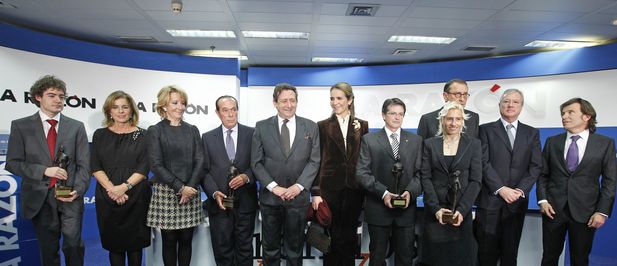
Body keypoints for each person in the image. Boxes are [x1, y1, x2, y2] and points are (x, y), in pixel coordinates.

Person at [6, 75, 90, 266]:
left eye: (61, 96)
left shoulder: (76, 127)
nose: (58, 100)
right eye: (52, 95)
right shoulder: (21, 126)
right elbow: (13, 163)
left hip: (71, 197)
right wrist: (44, 170)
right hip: (40, 199)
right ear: (38, 97)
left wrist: (77, 190)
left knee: (73, 246)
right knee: (48, 250)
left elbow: (85, 165)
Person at [537, 98, 616, 266]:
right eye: (563, 113)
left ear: (587, 116)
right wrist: (543, 200)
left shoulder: (605, 144)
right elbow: (543, 175)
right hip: (553, 210)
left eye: (570, 112)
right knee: (549, 257)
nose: (564, 116)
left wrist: (602, 212)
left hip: (586, 212)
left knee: (579, 259)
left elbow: (610, 181)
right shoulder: (552, 141)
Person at [251, 83, 320, 266]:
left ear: (297, 102)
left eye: (292, 100)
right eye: (284, 101)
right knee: (270, 249)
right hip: (270, 199)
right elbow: (256, 163)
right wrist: (274, 187)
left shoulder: (311, 127)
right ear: (275, 103)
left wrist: (298, 187)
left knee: (295, 249)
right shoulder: (261, 127)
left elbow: (314, 161)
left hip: (298, 199)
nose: (288, 105)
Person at [474, 89, 542, 266]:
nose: (510, 105)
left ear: (521, 106)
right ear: (499, 105)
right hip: (490, 200)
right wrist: (501, 189)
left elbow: (535, 166)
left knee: (510, 253)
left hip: (516, 202)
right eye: (506, 101)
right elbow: (482, 162)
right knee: (486, 253)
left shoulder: (532, 133)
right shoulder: (484, 130)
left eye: (515, 102)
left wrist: (519, 190)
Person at [356, 98, 422, 266]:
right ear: (383, 115)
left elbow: (420, 174)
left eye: (401, 114)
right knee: (377, 257)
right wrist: (384, 193)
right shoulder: (369, 139)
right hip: (378, 208)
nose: (397, 117)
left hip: (406, 210)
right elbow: (362, 173)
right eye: (393, 113)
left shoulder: (415, 141)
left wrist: (409, 193)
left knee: (405, 258)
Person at [310, 82, 369, 265]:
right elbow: (316, 161)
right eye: (332, 98)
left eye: (339, 98)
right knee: (332, 239)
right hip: (329, 191)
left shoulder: (363, 126)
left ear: (350, 100)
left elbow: (365, 160)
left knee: (349, 238)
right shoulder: (322, 126)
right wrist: (316, 193)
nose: (335, 102)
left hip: (355, 190)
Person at [90, 91, 151, 266]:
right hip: (107, 196)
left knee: (135, 247)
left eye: (125, 107)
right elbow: (95, 166)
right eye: (115, 107)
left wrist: (124, 187)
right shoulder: (99, 135)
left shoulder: (145, 135)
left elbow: (145, 166)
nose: (121, 111)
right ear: (109, 111)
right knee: (114, 246)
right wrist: (112, 189)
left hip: (136, 195)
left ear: (132, 110)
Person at [146, 85, 205, 266]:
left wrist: (190, 187)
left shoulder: (192, 129)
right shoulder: (155, 130)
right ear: (164, 105)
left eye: (182, 103)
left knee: (186, 240)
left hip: (191, 190)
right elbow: (155, 164)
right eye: (175, 102)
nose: (180, 106)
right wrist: (181, 188)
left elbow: (200, 160)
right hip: (167, 191)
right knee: (169, 241)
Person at [419, 101, 482, 266]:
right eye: (449, 119)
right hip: (435, 212)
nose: (453, 123)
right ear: (442, 120)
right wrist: (436, 209)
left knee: (460, 258)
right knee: (434, 258)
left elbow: (476, 181)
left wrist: (462, 210)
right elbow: (425, 178)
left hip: (461, 213)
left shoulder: (474, 144)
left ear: (463, 121)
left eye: (458, 119)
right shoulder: (429, 144)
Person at [201, 95, 257, 266]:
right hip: (220, 204)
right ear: (218, 113)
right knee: (222, 249)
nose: (231, 114)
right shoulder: (207, 137)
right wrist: (214, 192)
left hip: (246, 202)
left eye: (234, 109)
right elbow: (204, 171)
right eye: (225, 110)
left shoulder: (253, 133)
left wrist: (247, 176)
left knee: (245, 249)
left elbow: (259, 164)